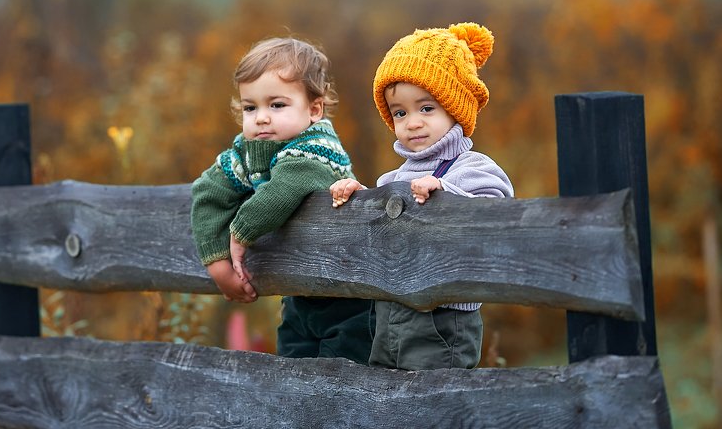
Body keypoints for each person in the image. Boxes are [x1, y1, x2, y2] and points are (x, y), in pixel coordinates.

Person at [330, 22, 514, 370]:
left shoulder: (471, 167)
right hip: (391, 311)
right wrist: (359, 198)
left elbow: (497, 207)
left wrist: (447, 194)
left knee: (433, 396)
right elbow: (383, 222)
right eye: (400, 113)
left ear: (455, 108)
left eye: (426, 108)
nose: (412, 122)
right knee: (387, 392)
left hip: (442, 319)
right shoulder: (394, 178)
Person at [190, 37, 374, 364]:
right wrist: (218, 265)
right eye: (250, 107)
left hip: (349, 292)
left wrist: (241, 232)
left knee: (341, 378)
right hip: (298, 294)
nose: (261, 117)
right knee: (291, 371)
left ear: (314, 109)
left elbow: (287, 186)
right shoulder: (246, 153)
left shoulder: (318, 148)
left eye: (276, 105)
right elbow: (208, 192)